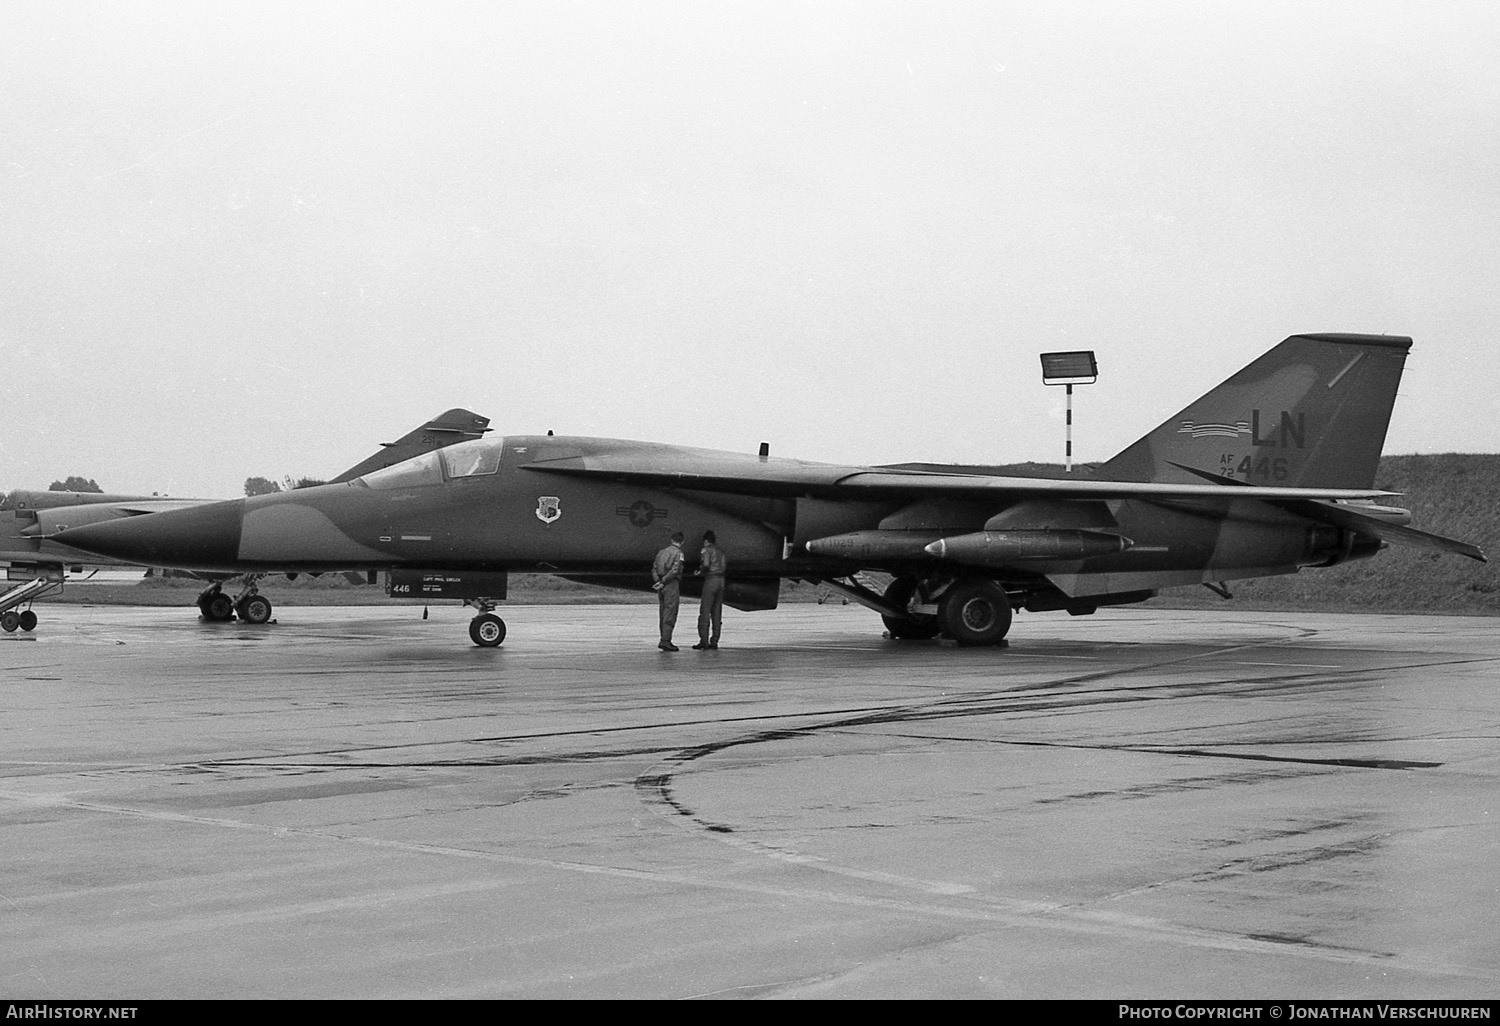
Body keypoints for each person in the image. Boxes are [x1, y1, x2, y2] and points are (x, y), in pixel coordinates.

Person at [693, 530, 728, 650]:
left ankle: (704, 641)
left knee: (705, 611)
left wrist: (700, 572)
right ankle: (715, 640)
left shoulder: (706, 550)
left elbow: (706, 565)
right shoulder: (720, 552)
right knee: (717, 612)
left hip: (711, 580)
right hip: (721, 581)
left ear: (706, 541)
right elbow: (723, 567)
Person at [651, 531, 685, 651]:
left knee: (663, 611)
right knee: (670, 612)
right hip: (671, 584)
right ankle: (666, 640)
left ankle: (663, 638)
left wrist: (659, 581)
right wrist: (665, 581)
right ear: (682, 542)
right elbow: (675, 570)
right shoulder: (679, 553)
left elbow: (654, 568)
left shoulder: (661, 552)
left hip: (661, 585)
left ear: (671, 540)